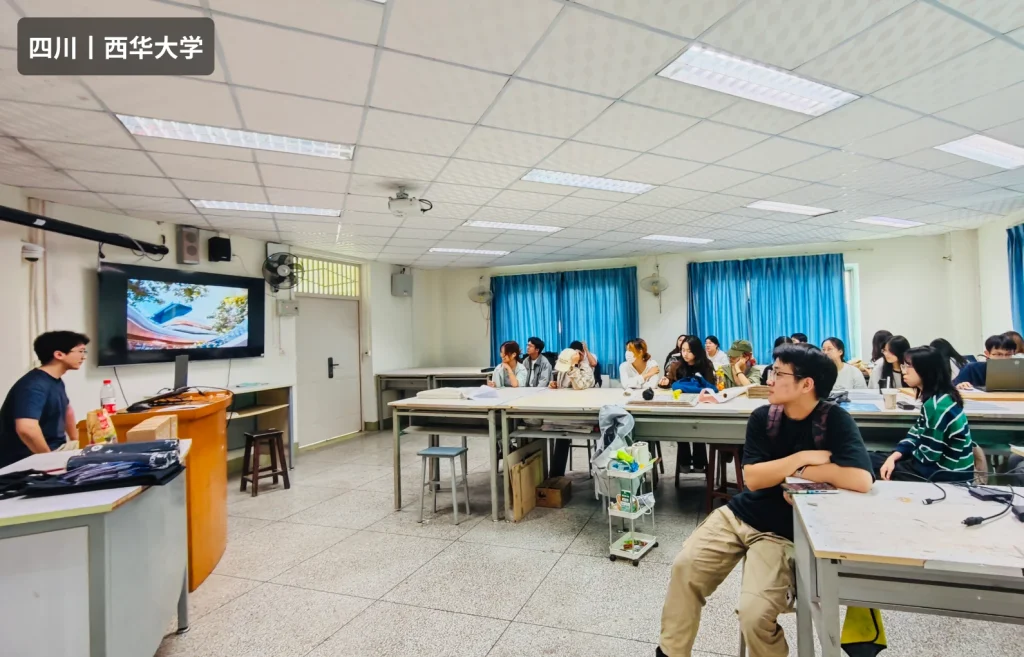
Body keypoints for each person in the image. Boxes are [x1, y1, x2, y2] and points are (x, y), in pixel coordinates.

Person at [658, 343, 873, 657]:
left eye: (778, 374)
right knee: (685, 568)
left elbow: (861, 479)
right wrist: (802, 459)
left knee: (754, 613)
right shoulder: (764, 417)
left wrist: (793, 471)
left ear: (806, 384)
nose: (769, 380)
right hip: (740, 514)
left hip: (782, 532)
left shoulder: (835, 421)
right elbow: (754, 478)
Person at [873, 346, 974, 483]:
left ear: (925, 369)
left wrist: (896, 462)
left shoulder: (937, 406)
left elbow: (928, 457)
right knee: (873, 459)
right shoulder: (939, 398)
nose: (904, 370)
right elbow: (916, 434)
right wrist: (894, 456)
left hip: (944, 476)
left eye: (908, 366)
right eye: (903, 365)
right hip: (936, 468)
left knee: (869, 465)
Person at [0, 331, 88, 468]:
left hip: (55, 448)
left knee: (104, 447)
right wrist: (48, 460)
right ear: (59, 354)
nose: (84, 357)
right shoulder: (34, 385)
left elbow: (67, 410)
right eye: (80, 351)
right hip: (27, 458)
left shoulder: (55, 380)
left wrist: (76, 440)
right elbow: (26, 428)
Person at [659, 336, 715, 472]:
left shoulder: (706, 365)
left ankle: (700, 463)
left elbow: (710, 386)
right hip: (681, 407)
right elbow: (669, 382)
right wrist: (665, 383)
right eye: (683, 350)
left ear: (697, 351)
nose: (685, 354)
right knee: (681, 433)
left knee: (698, 433)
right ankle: (683, 462)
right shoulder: (676, 366)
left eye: (689, 351)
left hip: (702, 407)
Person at [548, 347, 597, 477]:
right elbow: (563, 386)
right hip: (565, 412)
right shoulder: (563, 370)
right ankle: (555, 477)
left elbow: (579, 386)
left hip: (583, 414)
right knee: (561, 434)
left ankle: (556, 475)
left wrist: (573, 366)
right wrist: (554, 384)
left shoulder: (586, 369)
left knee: (563, 434)